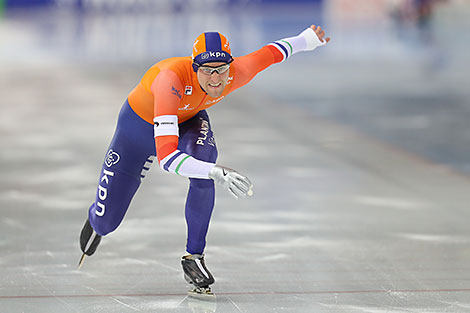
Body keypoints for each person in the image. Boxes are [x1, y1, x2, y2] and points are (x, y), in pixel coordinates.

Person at [79, 24, 330, 296]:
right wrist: (216, 173)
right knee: (107, 223)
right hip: (136, 133)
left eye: (221, 69)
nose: (215, 79)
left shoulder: (236, 73)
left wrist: (307, 39)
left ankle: (193, 257)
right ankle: (97, 218)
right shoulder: (169, 81)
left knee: (203, 160)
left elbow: (272, 52)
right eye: (207, 70)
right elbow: (166, 159)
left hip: (189, 122)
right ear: (194, 67)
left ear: (230, 66)